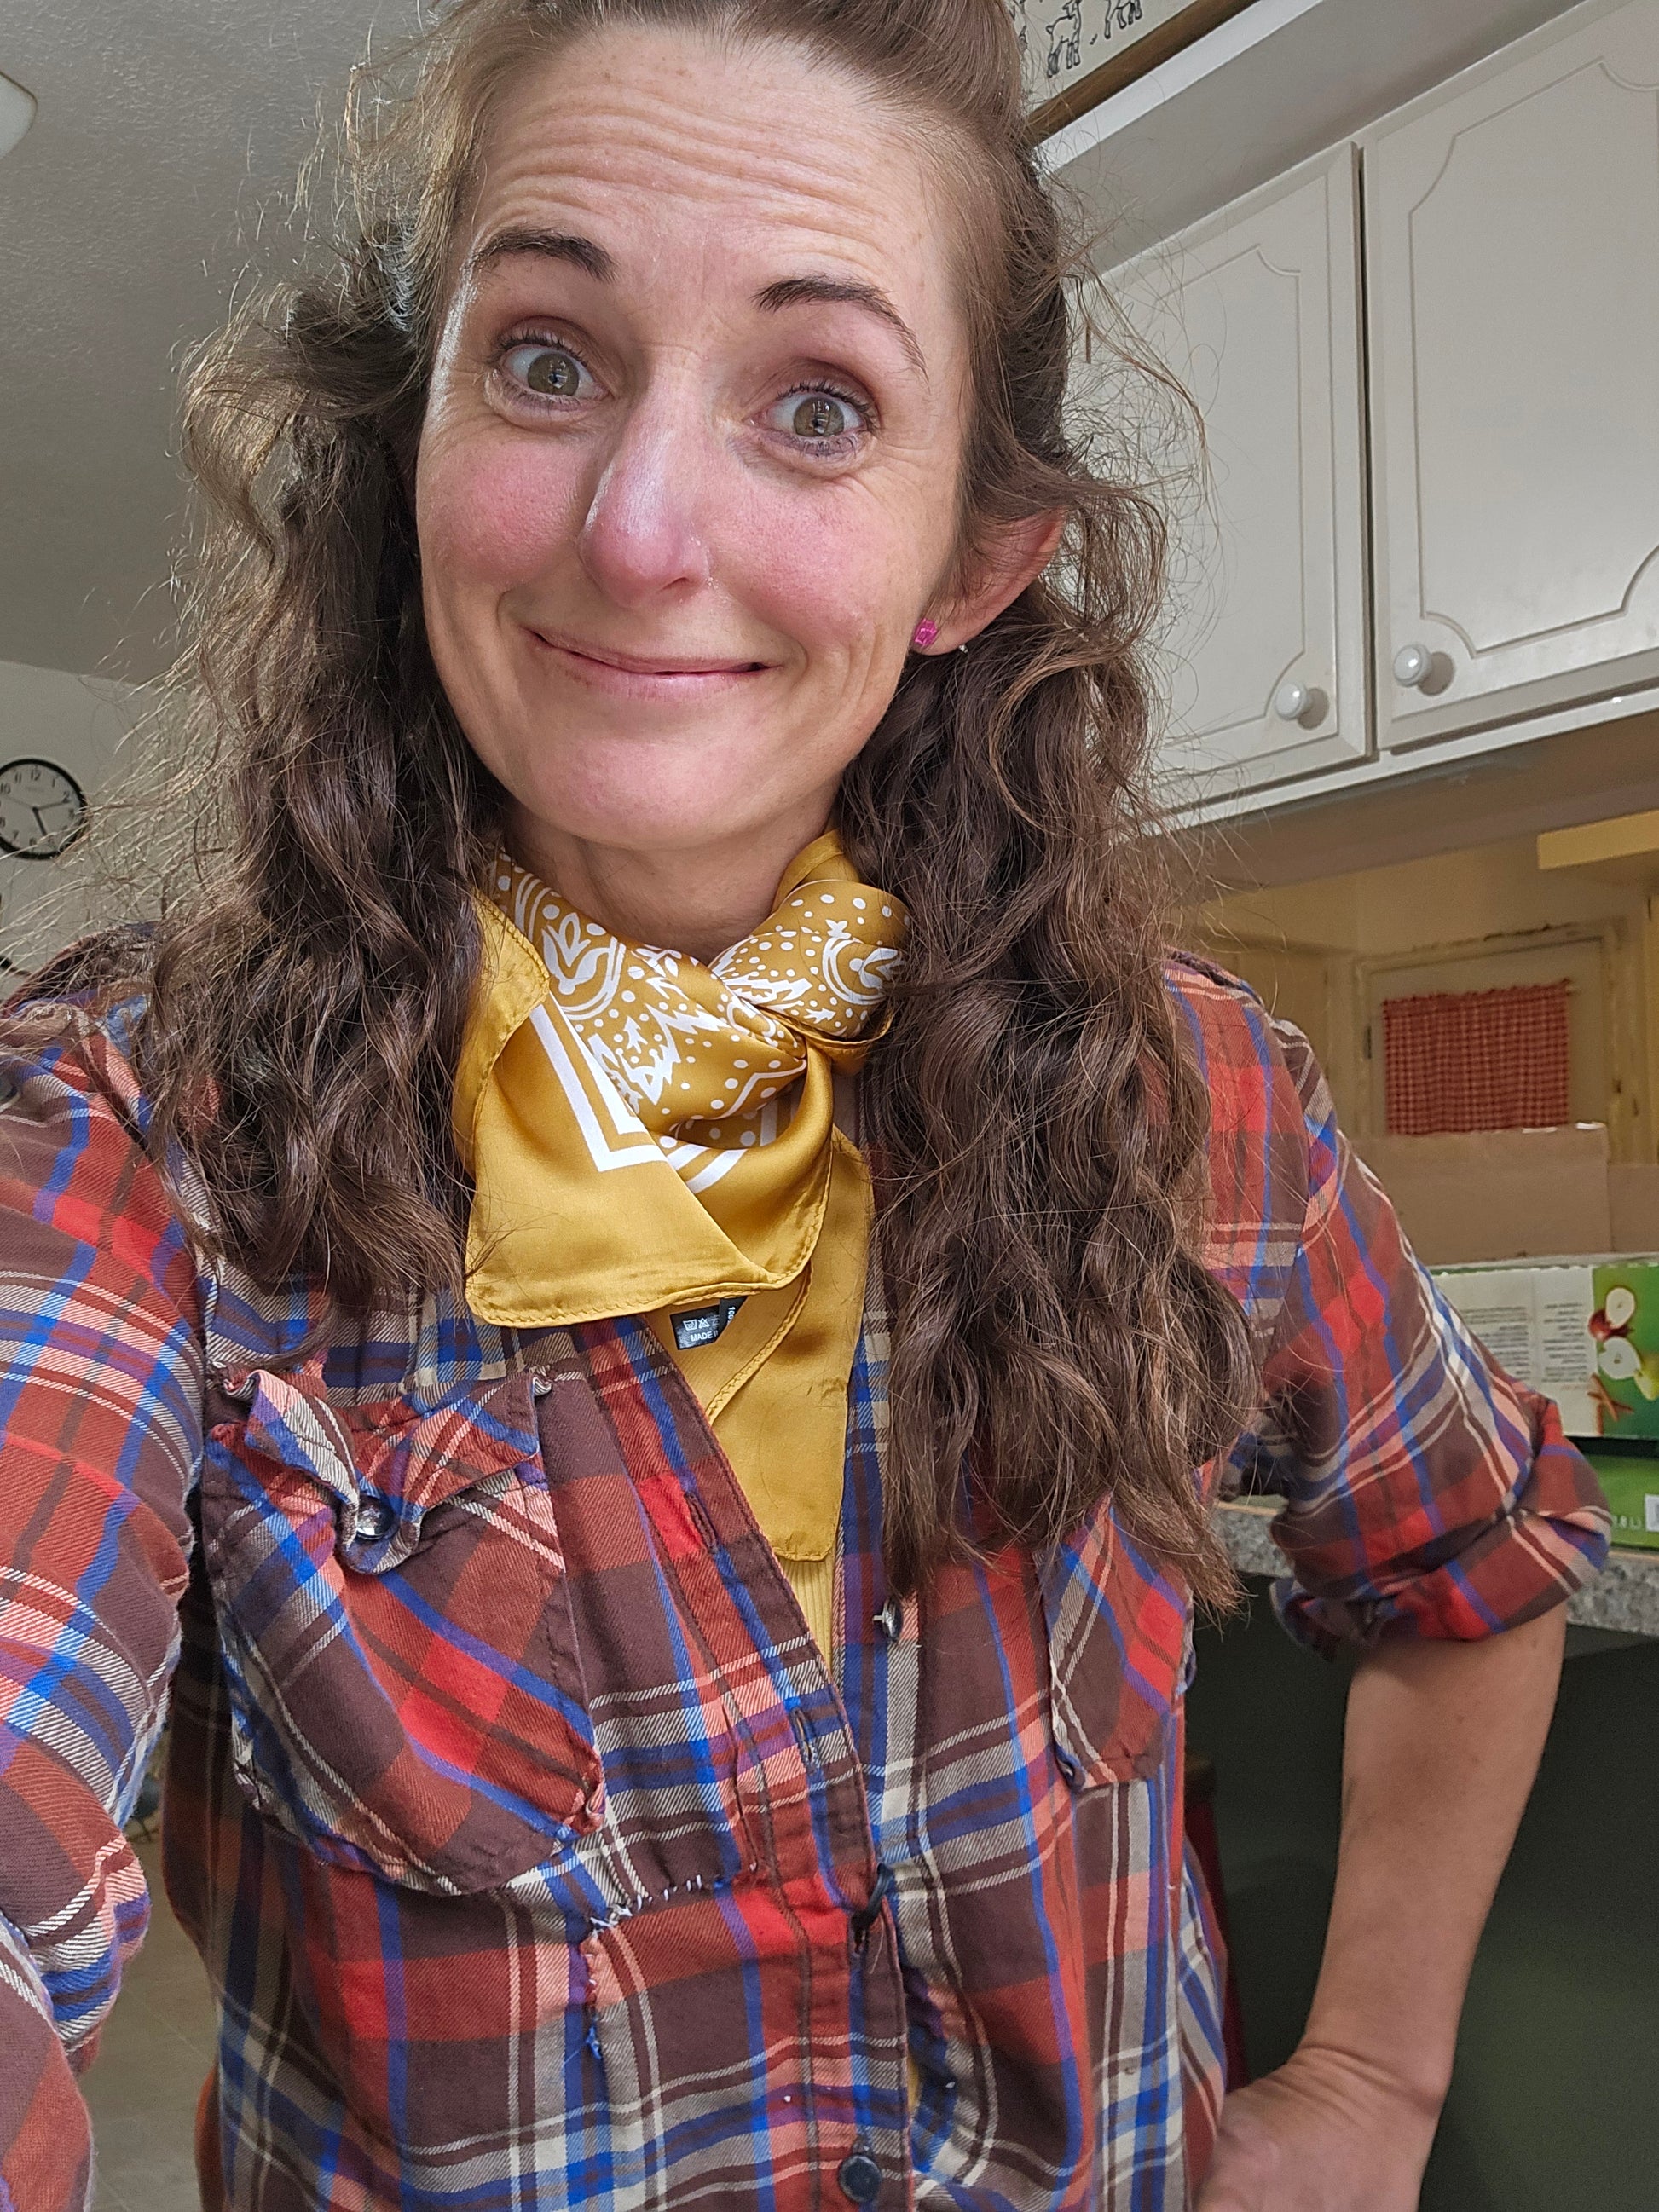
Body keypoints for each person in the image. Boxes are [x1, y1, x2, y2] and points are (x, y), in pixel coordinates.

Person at [0, 3, 1609, 2208]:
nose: (643, 528)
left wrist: (1371, 2087)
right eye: (546, 358)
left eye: (821, 402)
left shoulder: (1198, 1098)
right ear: (410, 446)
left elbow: (1471, 1561)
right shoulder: (129, 1128)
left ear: (973, 559)